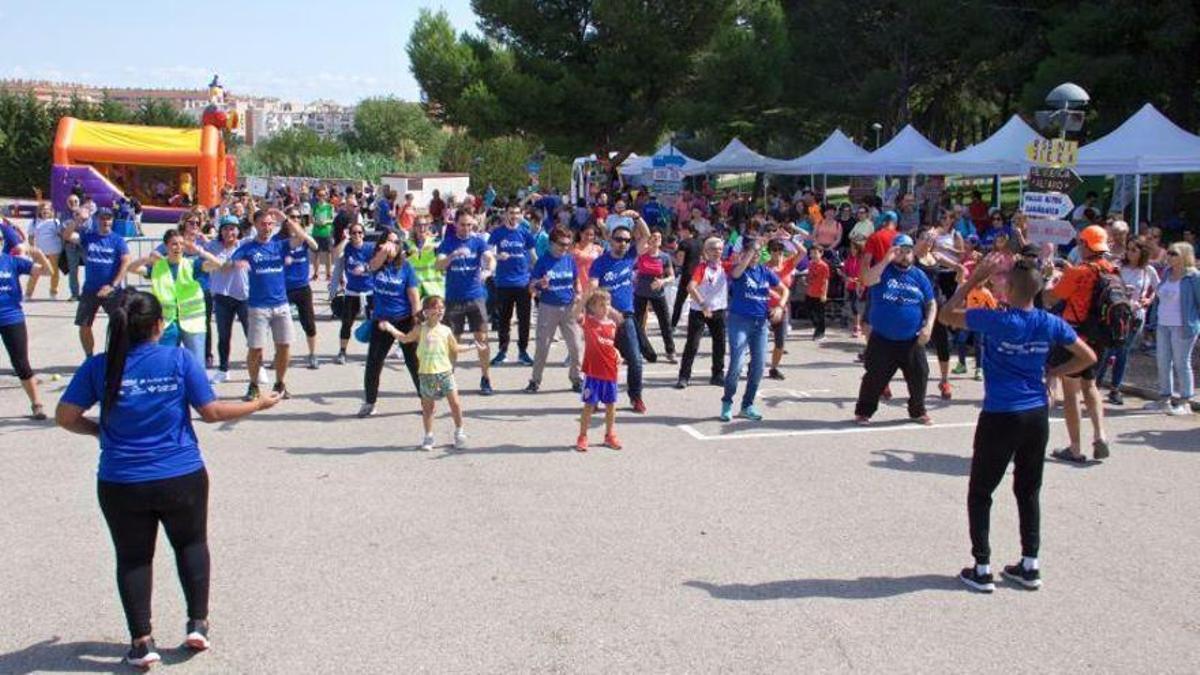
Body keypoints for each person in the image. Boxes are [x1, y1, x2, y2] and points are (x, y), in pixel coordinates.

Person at [55, 290, 281, 667]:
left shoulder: (99, 366)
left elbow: (64, 416)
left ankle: (142, 643)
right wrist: (258, 403)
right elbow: (210, 411)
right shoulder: (178, 359)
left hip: (121, 479)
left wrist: (99, 431)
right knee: (191, 545)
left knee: (132, 559)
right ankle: (197, 624)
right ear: (158, 325)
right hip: (181, 474)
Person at [940, 255, 1096, 593]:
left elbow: (946, 315)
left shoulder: (996, 320)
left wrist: (972, 280)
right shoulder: (1049, 323)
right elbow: (1088, 357)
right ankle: (1030, 564)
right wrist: (1053, 372)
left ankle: (982, 568)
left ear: (1009, 288)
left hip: (1001, 413)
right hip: (1036, 414)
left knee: (981, 491)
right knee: (1028, 489)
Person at [226, 208, 313, 401]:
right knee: (255, 349)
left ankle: (280, 383)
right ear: (256, 225)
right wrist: (237, 264)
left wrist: (286, 219)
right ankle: (254, 384)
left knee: (284, 346)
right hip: (258, 307)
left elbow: (302, 237)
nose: (267, 228)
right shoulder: (248, 247)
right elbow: (230, 262)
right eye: (263, 224)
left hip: (281, 305)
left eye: (270, 224)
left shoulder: (279, 245)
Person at [1044, 225, 1114, 462]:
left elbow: (1052, 297)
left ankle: (1074, 448)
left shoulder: (1079, 272)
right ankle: (1100, 434)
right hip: (1098, 335)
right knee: (1090, 385)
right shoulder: (1111, 270)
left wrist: (1050, 278)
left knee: (1071, 392)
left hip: (1073, 335)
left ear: (1085, 244)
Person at [854, 234, 936, 425]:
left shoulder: (918, 275)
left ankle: (917, 411)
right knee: (874, 377)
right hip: (883, 338)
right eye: (900, 251)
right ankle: (864, 412)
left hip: (911, 339)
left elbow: (931, 302)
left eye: (908, 251)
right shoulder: (882, 271)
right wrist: (885, 260)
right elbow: (866, 280)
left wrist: (929, 325)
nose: (904, 255)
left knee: (920, 375)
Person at [381, 295, 466, 450]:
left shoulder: (446, 330)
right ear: (426, 311)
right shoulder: (420, 329)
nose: (440, 311)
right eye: (436, 307)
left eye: (442, 308)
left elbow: (455, 348)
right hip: (426, 374)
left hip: (446, 373)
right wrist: (390, 328)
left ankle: (459, 432)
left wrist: (474, 347)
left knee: (455, 403)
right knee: (428, 408)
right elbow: (405, 339)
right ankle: (428, 437)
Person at [720, 235, 789, 422]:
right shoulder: (739, 269)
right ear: (744, 253)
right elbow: (735, 274)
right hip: (739, 321)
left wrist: (780, 306)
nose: (756, 255)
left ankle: (747, 405)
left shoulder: (765, 272)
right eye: (752, 252)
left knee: (758, 367)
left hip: (760, 323)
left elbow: (785, 289)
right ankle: (727, 402)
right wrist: (751, 249)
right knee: (737, 364)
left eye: (759, 253)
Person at [588, 212, 652, 412]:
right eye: (618, 240)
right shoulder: (600, 263)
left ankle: (636, 397)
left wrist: (637, 218)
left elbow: (646, 237)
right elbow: (594, 289)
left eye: (626, 240)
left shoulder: (630, 256)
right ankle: (596, 397)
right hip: (604, 320)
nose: (623, 243)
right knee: (601, 361)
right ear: (610, 240)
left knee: (635, 360)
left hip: (627, 318)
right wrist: (610, 310)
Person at [359, 230, 422, 417]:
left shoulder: (406, 268)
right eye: (387, 241)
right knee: (374, 362)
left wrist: (417, 322)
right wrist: (384, 252)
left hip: (404, 320)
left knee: (415, 362)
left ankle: (426, 399)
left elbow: (414, 298)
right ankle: (370, 402)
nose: (391, 245)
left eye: (395, 242)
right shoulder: (378, 263)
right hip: (382, 321)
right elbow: (372, 266)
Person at [436, 212, 497, 394]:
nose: (467, 228)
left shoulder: (478, 241)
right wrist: (453, 255)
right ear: (455, 224)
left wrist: (488, 271)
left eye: (470, 225)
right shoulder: (448, 243)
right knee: (453, 342)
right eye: (463, 224)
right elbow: (439, 266)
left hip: (475, 297)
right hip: (454, 298)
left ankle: (486, 378)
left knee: (482, 339)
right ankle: (448, 381)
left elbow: (489, 257)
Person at [1095, 240, 1158, 404]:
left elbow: (1158, 290)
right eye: (1128, 249)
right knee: (1107, 349)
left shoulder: (1148, 270)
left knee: (1123, 351)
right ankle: (1095, 384)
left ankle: (1115, 389)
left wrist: (1148, 300)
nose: (1130, 253)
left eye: (1134, 250)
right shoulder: (1118, 267)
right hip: (1116, 314)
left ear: (1142, 252)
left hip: (1135, 315)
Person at [64, 207, 132, 357]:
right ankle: (89, 357)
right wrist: (77, 220)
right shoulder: (88, 236)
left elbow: (126, 262)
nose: (105, 221)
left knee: (120, 325)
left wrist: (113, 285)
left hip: (112, 291)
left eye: (108, 218)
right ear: (96, 219)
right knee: (84, 325)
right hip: (90, 289)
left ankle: (118, 355)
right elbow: (67, 235)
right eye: (102, 218)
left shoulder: (118, 240)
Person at [526, 228, 582, 393]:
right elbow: (531, 287)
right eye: (561, 244)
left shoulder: (569, 260)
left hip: (569, 308)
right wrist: (539, 285)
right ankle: (535, 380)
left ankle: (576, 379)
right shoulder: (543, 261)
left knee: (576, 346)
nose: (565, 247)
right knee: (542, 346)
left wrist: (578, 293)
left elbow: (575, 280)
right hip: (548, 307)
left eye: (568, 244)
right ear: (551, 243)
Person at [0, 243, 52, 418]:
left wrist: (39, 254)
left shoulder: (12, 262)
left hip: (11, 317)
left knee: (21, 363)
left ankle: (36, 404)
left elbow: (48, 272)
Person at [1151, 242, 1200, 415]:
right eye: (1169, 253)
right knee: (1163, 361)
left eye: (1174, 253)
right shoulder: (1166, 273)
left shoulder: (1193, 277)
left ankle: (1185, 401)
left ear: (1185, 255)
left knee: (1181, 362)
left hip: (1183, 325)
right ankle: (1165, 398)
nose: (1169, 256)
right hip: (1163, 323)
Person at [575, 289, 624, 451]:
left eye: (607, 304)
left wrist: (617, 353)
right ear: (593, 307)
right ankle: (582, 436)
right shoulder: (588, 322)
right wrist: (583, 299)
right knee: (589, 405)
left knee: (610, 405)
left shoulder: (612, 325)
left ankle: (609, 435)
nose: (605, 308)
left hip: (610, 371)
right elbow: (576, 315)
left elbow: (610, 344)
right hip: (593, 372)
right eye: (601, 305)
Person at [675, 237, 727, 390]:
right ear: (706, 251)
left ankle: (717, 375)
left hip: (718, 310)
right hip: (699, 310)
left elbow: (742, 266)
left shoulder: (725, 267)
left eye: (719, 249)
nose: (717, 252)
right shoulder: (701, 268)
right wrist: (703, 304)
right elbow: (691, 287)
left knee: (720, 343)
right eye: (713, 249)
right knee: (692, 344)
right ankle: (684, 376)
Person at [489, 205, 538, 366]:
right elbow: (488, 253)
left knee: (524, 320)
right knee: (504, 319)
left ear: (521, 214)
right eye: (511, 213)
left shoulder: (525, 233)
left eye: (517, 213)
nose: (514, 216)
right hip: (504, 283)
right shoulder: (498, 232)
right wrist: (497, 256)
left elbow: (533, 257)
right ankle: (502, 351)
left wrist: (538, 275)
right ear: (506, 214)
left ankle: (523, 351)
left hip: (523, 283)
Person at [205, 217, 249, 384]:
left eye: (232, 229)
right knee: (224, 336)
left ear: (238, 231)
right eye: (225, 229)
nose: (229, 232)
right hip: (222, 296)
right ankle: (223, 369)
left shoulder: (244, 244)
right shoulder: (212, 246)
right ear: (220, 231)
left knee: (251, 334)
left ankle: (257, 368)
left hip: (243, 296)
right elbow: (208, 263)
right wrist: (229, 264)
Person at [278, 207, 320, 369]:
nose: (295, 219)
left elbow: (315, 246)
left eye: (297, 217)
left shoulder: (303, 238)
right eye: (291, 217)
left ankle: (312, 354)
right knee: (280, 325)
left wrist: (298, 229)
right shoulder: (279, 239)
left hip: (302, 287)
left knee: (309, 323)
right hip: (284, 287)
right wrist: (282, 260)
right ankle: (279, 355)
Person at [632, 230, 677, 364]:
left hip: (658, 294)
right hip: (640, 293)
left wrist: (662, 281)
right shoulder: (641, 255)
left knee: (665, 323)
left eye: (659, 237)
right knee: (638, 324)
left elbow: (672, 276)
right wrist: (634, 277)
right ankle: (638, 351)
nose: (657, 239)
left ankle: (670, 351)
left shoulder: (664, 257)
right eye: (654, 237)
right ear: (649, 240)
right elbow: (631, 268)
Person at [333, 223, 375, 364]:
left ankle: (373, 352)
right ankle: (342, 351)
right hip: (352, 292)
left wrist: (365, 267)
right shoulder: (348, 247)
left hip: (369, 291)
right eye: (354, 233)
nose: (357, 235)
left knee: (373, 323)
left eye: (359, 233)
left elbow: (378, 263)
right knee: (346, 323)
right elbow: (335, 254)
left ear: (363, 234)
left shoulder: (369, 248)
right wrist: (345, 239)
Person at [24, 202, 64, 299]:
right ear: (40, 211)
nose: (45, 211)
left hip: (54, 250)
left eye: (47, 209)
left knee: (54, 272)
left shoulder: (55, 222)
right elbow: (31, 237)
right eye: (43, 209)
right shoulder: (35, 222)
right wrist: (32, 248)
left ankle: (53, 291)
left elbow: (61, 235)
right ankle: (28, 293)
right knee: (35, 271)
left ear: (51, 211)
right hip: (40, 251)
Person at [670, 222, 702, 330]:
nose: (680, 232)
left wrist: (670, 257)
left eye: (681, 230)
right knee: (698, 300)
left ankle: (673, 325)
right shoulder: (699, 242)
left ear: (687, 231)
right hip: (698, 275)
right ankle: (701, 325)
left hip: (687, 274)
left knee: (680, 301)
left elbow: (680, 262)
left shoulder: (683, 243)